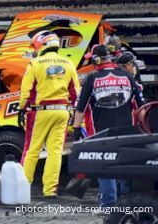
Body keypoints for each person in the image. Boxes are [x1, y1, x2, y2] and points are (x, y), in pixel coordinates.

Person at [73, 45, 145, 208]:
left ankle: (108, 206)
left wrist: (76, 128)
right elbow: (141, 107)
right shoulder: (127, 76)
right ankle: (121, 203)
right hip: (127, 131)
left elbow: (81, 107)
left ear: (96, 59)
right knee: (121, 168)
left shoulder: (92, 77)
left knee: (105, 169)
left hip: (100, 133)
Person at [18, 30, 80, 198]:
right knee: (55, 152)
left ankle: (22, 189)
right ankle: (50, 191)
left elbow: (26, 90)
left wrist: (22, 108)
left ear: (41, 43)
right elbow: (76, 93)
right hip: (62, 112)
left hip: (40, 113)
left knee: (31, 150)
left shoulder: (35, 63)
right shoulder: (68, 63)